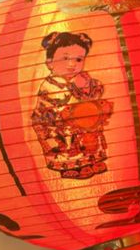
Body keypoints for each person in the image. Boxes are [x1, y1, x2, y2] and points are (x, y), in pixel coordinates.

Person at [31, 31, 112, 180]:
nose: (72, 64)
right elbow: (55, 109)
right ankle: (70, 167)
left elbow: (96, 92)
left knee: (90, 140)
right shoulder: (50, 85)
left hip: (83, 121)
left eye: (79, 59)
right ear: (49, 63)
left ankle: (92, 162)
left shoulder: (84, 78)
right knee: (68, 146)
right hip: (58, 125)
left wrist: (90, 91)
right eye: (65, 58)